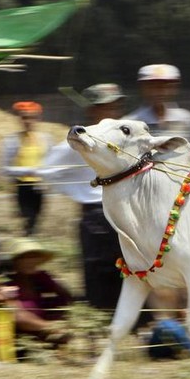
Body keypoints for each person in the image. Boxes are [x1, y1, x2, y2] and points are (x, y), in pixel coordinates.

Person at [38, 84, 125, 311]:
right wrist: (80, 190)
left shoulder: (125, 134)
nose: (111, 110)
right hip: (96, 212)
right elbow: (48, 170)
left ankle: (136, 316)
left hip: (126, 210)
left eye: (114, 105)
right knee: (100, 267)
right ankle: (102, 314)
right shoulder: (79, 139)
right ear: (92, 109)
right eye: (105, 106)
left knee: (132, 263)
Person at [126, 64, 190, 153]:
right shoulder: (131, 123)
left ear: (174, 88)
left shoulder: (186, 119)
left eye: (165, 87)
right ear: (144, 88)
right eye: (153, 87)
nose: (159, 92)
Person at [0, 101, 53, 236]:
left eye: (32, 117)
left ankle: (31, 238)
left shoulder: (46, 139)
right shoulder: (11, 140)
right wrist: (28, 170)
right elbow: (4, 168)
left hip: (40, 185)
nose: (28, 121)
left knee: (37, 216)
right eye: (24, 117)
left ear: (38, 119)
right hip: (22, 185)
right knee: (27, 216)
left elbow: (51, 161)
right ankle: (28, 239)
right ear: (19, 119)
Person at [4, 237, 72, 330]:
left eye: (34, 256)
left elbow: (67, 296)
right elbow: (17, 316)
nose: (30, 261)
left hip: (46, 326)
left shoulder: (40, 278)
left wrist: (51, 280)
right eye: (25, 257)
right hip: (27, 331)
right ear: (16, 261)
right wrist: (51, 328)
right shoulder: (8, 284)